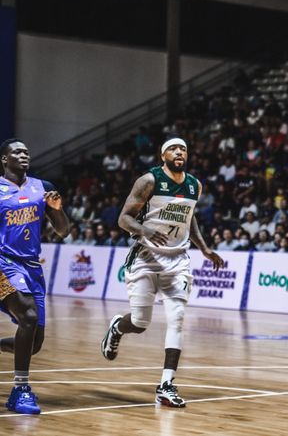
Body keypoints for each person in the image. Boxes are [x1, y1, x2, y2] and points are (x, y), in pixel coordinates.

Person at [100, 138, 224, 408]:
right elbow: (124, 218)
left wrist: (203, 249)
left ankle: (166, 385)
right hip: (145, 257)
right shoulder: (148, 180)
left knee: (177, 319)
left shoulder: (194, 185)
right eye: (173, 149)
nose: (179, 152)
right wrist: (144, 230)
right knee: (140, 323)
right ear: (163, 154)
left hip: (178, 260)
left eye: (184, 149)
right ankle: (117, 327)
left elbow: (189, 218)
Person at [0, 138, 70, 414]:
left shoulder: (44, 188)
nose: (24, 154)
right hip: (3, 262)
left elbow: (63, 231)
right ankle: (20, 389)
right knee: (28, 316)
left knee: (35, 343)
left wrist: (57, 210)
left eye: (26, 151)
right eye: (17, 151)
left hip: (31, 266)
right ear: (4, 159)